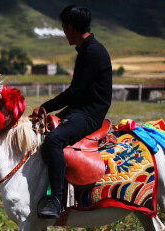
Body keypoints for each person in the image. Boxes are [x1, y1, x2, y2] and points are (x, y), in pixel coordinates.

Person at [32, 5, 112, 219]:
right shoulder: (87, 49)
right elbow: (78, 93)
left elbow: (75, 92)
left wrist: (45, 107)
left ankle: (56, 200)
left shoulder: (92, 52)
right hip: (81, 108)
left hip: (89, 114)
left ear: (71, 28)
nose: (64, 31)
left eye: (64, 27)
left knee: (54, 141)